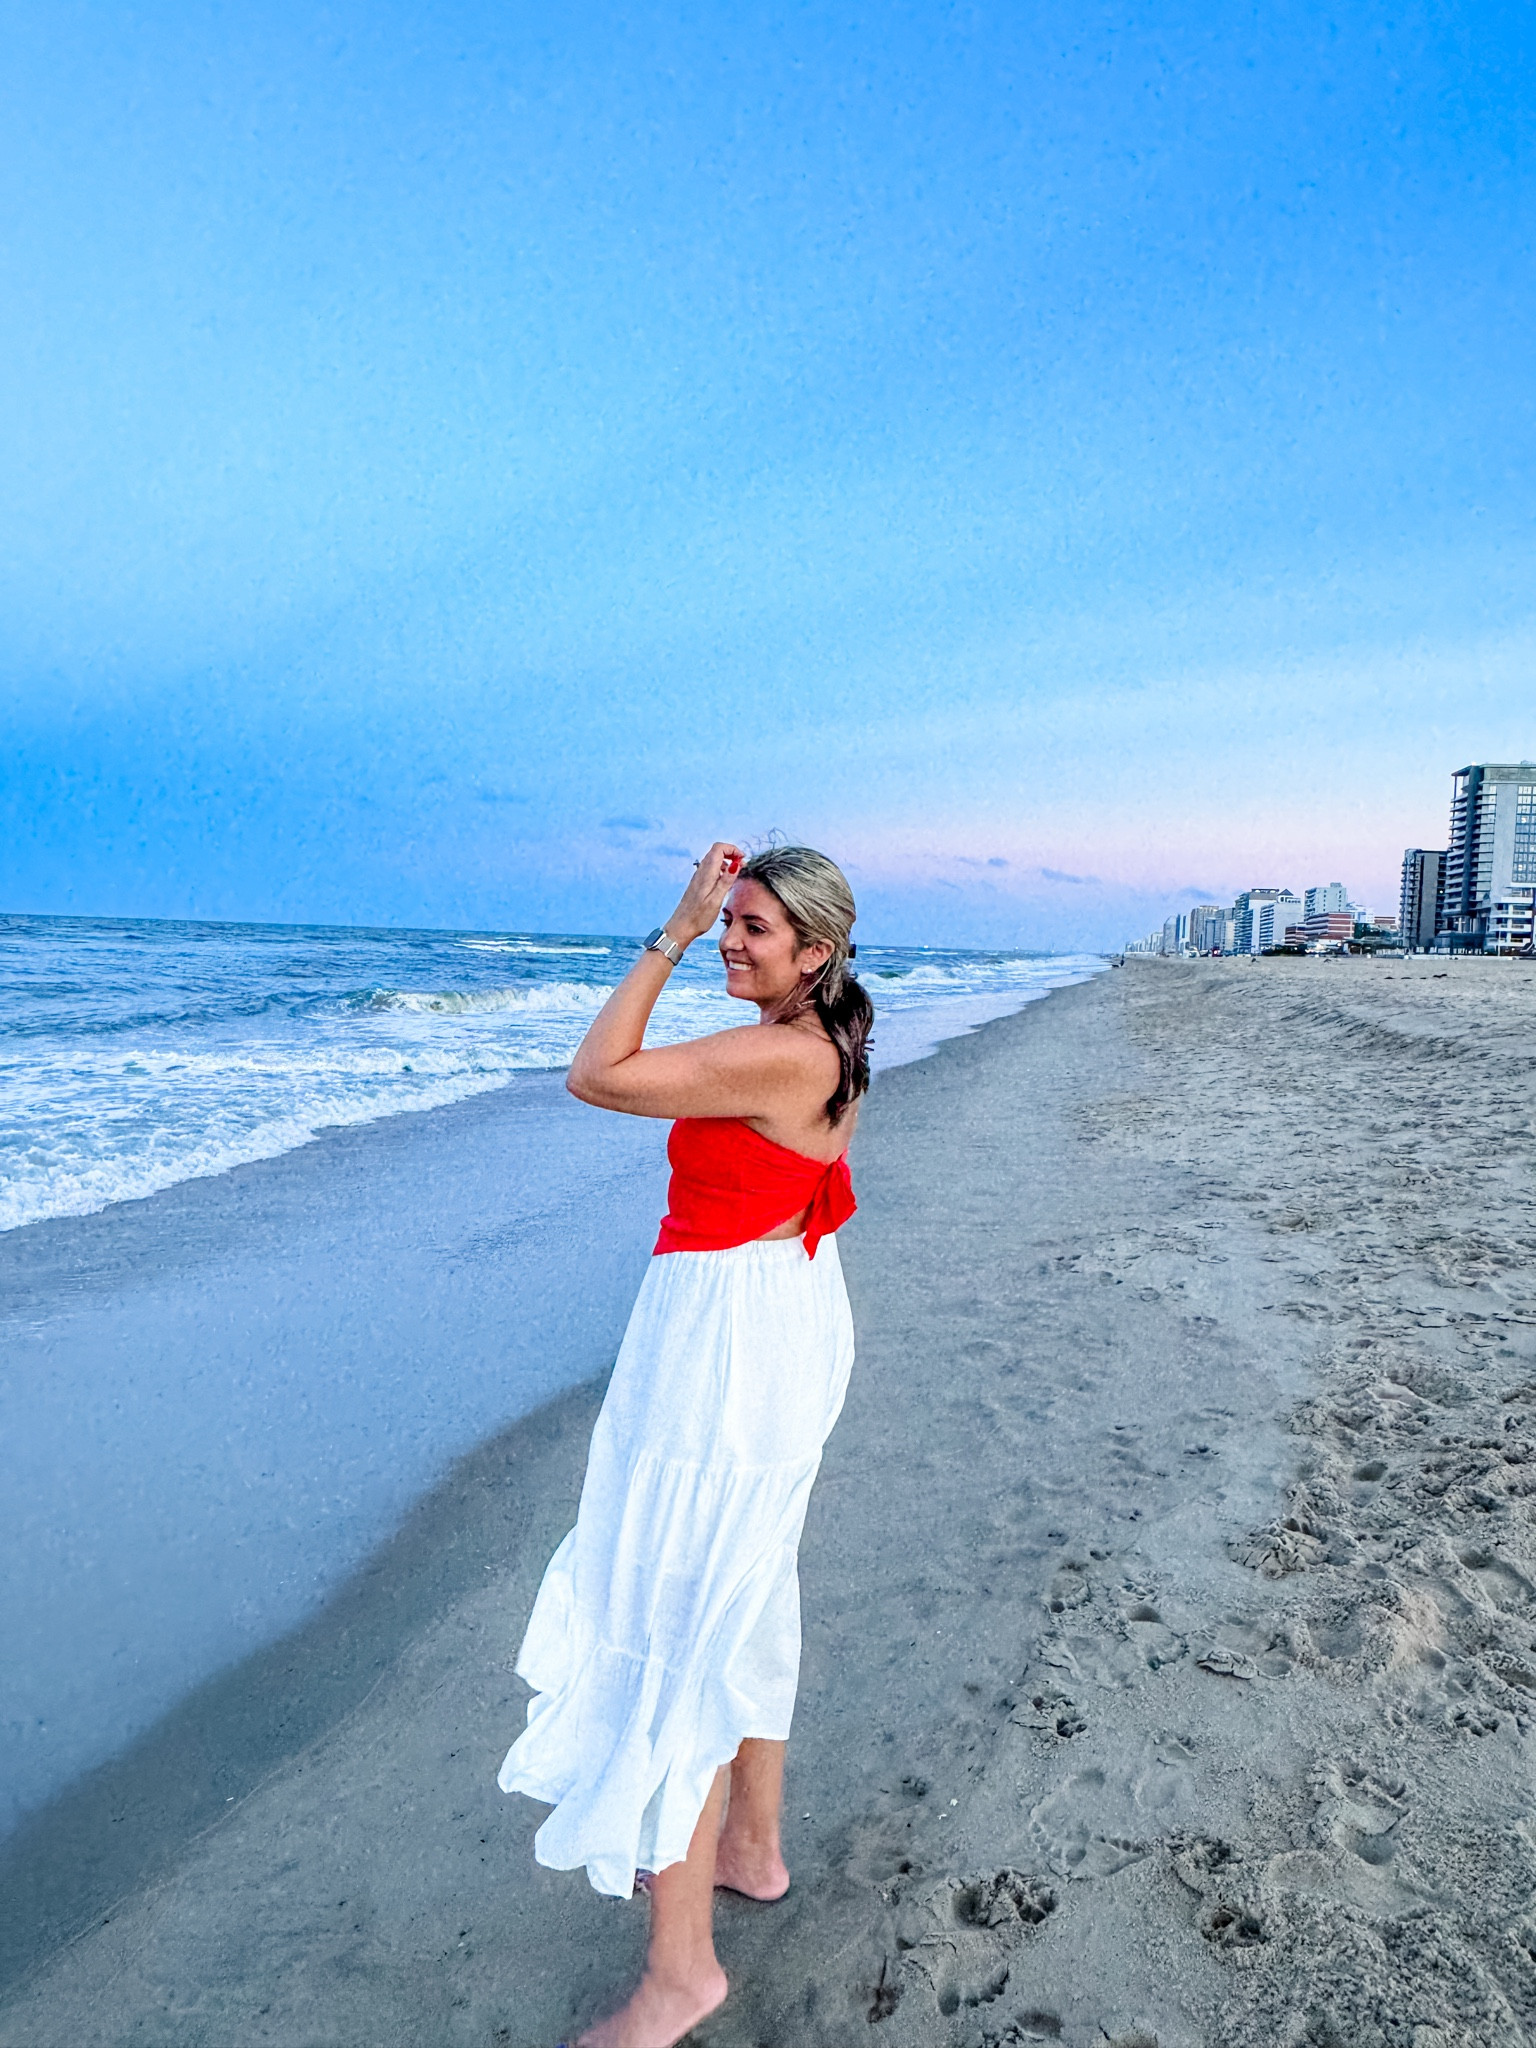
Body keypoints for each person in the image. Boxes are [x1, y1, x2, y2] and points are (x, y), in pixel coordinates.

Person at [497, 840, 873, 2048]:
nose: (730, 938)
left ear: (814, 951)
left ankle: (682, 1973)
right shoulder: (822, 1036)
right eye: (728, 920)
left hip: (730, 1341)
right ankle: (751, 1847)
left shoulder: (779, 1050)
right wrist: (702, 928)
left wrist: (665, 929)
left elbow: (596, 1072)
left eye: (753, 927)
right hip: (768, 1308)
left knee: (684, 1616)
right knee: (744, 1591)